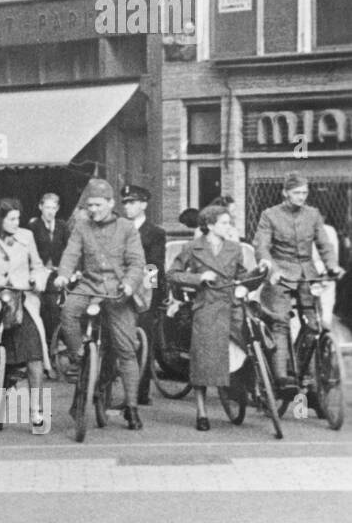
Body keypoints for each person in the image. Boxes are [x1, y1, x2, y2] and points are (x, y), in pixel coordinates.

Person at [53, 178, 147, 430]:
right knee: (69, 311)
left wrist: (129, 284)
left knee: (126, 350)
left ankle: (132, 407)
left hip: (118, 290)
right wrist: (63, 275)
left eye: (97, 205)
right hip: (90, 286)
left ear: (110, 203)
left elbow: (137, 263)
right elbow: (71, 254)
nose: (92, 209)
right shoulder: (82, 227)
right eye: (89, 205)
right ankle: (79, 357)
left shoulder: (127, 227)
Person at [0, 198, 50, 432]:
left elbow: (38, 265)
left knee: (35, 355)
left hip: (22, 302)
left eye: (18, 218)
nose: (17, 222)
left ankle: (36, 410)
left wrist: (38, 279)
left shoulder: (26, 237)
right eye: (12, 218)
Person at [254, 172, 343, 387]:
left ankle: (300, 366)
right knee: (281, 322)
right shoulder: (270, 215)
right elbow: (262, 246)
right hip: (281, 275)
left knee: (314, 325)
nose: (301, 197)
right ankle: (281, 375)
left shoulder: (313, 214)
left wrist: (332, 265)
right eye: (297, 193)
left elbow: (324, 244)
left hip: (307, 275)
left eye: (305, 193)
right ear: (285, 193)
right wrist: (271, 268)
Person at [167, 204, 249, 431]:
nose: (228, 227)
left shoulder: (235, 248)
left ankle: (240, 395)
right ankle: (201, 412)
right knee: (202, 364)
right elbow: (171, 274)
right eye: (224, 223)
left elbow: (243, 276)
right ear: (210, 225)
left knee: (240, 355)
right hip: (206, 309)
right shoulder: (193, 247)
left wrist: (247, 284)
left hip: (232, 308)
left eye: (228, 222)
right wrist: (199, 278)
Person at [122, 184, 167, 406]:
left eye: (132, 202)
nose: (127, 207)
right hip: (120, 291)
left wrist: (151, 297)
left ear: (143, 205)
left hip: (143, 294)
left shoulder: (155, 233)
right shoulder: (120, 229)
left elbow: (154, 266)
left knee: (143, 341)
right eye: (125, 203)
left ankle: (140, 392)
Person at [28, 192, 69, 347]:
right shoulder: (33, 226)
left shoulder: (62, 226)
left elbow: (69, 249)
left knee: (53, 304)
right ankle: (44, 340)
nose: (50, 211)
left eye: (53, 208)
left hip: (57, 273)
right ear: (40, 207)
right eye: (47, 207)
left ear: (57, 209)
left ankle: (53, 341)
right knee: (41, 304)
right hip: (39, 272)